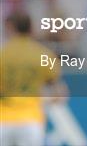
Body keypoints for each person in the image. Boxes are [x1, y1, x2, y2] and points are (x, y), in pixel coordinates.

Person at [0, 10, 66, 146]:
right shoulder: (44, 54)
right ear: (31, 28)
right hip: (31, 119)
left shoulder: (2, 54)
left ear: (10, 27)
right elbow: (60, 94)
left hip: (3, 119)